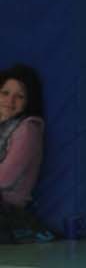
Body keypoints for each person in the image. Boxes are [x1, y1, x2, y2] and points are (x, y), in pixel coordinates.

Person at [0, 65, 51, 243]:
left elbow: (5, 179)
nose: (10, 101)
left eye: (19, 96)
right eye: (5, 93)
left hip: (8, 209)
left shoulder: (28, 129)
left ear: (28, 102)